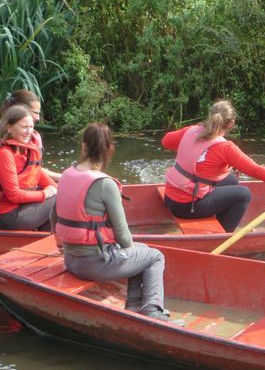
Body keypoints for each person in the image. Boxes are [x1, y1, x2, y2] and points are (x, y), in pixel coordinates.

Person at [51, 123, 180, 324]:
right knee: (154, 256)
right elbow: (123, 235)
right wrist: (128, 251)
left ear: (83, 146)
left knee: (142, 250)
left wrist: (62, 246)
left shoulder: (67, 174)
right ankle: (153, 309)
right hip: (93, 265)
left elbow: (54, 214)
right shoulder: (105, 184)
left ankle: (135, 306)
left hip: (71, 259)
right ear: (109, 149)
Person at [162, 100, 265, 232]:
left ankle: (219, 219)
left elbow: (166, 142)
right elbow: (256, 170)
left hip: (170, 198)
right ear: (231, 123)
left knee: (231, 180)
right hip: (186, 207)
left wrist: (192, 146)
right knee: (244, 194)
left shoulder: (192, 130)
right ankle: (222, 234)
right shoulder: (226, 148)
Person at [0, 105, 57, 231]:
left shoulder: (26, 151)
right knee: (56, 200)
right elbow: (14, 196)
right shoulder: (3, 154)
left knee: (60, 196)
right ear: (9, 128)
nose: (29, 132)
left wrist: (61, 190)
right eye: (24, 127)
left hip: (16, 208)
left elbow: (40, 176)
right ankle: (48, 241)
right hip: (3, 215)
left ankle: (42, 240)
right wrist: (45, 193)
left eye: (31, 127)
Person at [0, 90, 61, 181]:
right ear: (21, 110)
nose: (38, 118)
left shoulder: (29, 135)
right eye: (35, 113)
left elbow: (34, 168)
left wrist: (61, 179)